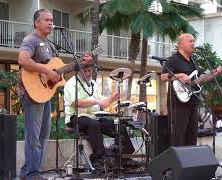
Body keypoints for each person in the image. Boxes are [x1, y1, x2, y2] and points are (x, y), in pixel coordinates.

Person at [18, 9, 92, 180]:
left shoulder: (50, 45)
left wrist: (81, 62)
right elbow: (23, 60)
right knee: (34, 136)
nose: (51, 23)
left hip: (44, 94)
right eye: (47, 20)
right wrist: (45, 70)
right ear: (37, 23)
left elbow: (58, 70)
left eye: (52, 20)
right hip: (32, 93)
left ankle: (27, 171)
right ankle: (32, 174)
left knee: (43, 136)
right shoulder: (31, 40)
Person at [63, 64, 136, 172]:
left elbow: (103, 102)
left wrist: (111, 98)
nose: (88, 73)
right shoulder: (71, 83)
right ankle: (100, 159)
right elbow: (76, 102)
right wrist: (96, 101)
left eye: (90, 71)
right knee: (93, 124)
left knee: (117, 124)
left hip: (94, 116)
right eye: (85, 71)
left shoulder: (93, 83)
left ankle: (125, 157)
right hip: (77, 116)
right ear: (79, 71)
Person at [161, 33, 222, 146]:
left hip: (192, 102)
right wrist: (180, 75)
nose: (193, 43)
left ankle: (189, 162)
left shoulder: (193, 61)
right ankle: (178, 162)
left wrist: (214, 74)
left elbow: (198, 82)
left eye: (194, 41)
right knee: (178, 136)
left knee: (192, 136)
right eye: (190, 41)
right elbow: (163, 76)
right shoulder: (174, 59)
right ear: (181, 44)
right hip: (178, 104)